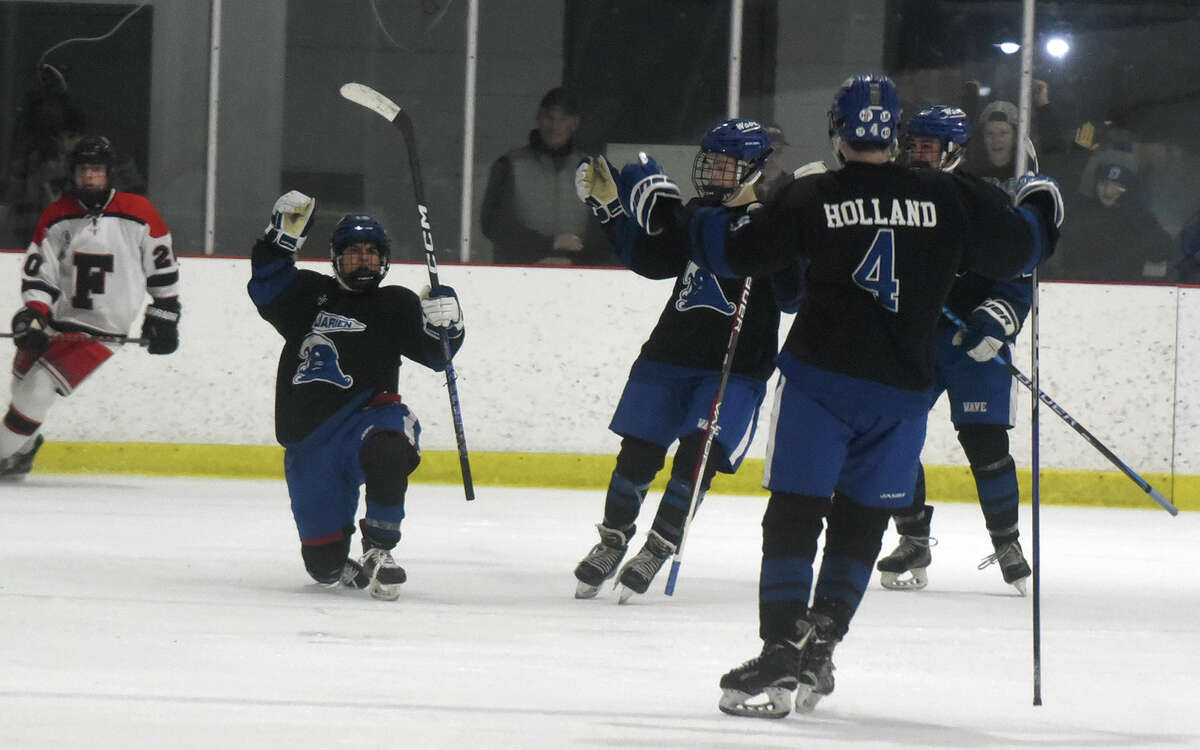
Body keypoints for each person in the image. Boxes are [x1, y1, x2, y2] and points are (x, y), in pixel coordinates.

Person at [614, 74, 1062, 718]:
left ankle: (778, 654)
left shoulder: (810, 194)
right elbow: (1024, 246)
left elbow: (736, 253)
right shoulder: (951, 194)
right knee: (861, 521)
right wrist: (1043, 203)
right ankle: (821, 641)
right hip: (902, 394)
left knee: (795, 514)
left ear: (837, 129)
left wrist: (682, 211)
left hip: (820, 384)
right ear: (897, 135)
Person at [570, 119, 804, 602]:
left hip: (735, 368)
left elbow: (791, 297)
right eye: (711, 162)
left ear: (754, 169)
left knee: (699, 457)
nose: (713, 171)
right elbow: (653, 260)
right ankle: (612, 540)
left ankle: (659, 544)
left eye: (725, 164)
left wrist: (796, 258)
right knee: (636, 456)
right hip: (669, 356)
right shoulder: (697, 213)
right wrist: (611, 209)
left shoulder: (771, 225)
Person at [247, 190, 464, 600]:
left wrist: (449, 326)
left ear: (384, 259)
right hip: (309, 443)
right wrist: (278, 241)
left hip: (368, 419)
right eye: (352, 252)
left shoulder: (397, 303)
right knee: (322, 567)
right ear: (335, 258)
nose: (362, 260)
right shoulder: (307, 294)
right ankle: (339, 558)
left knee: (389, 447)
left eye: (371, 252)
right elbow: (265, 285)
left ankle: (379, 550)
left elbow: (438, 356)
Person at [875, 105, 1032, 594]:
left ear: (955, 152)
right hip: (915, 340)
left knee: (986, 446)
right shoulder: (889, 197)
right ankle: (913, 536)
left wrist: (997, 320)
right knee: (894, 434)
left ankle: (1007, 542)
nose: (917, 154)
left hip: (972, 343)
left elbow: (1018, 272)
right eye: (913, 145)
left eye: (929, 147)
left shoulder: (983, 201)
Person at [0, 134, 180, 479]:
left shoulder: (138, 212)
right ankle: (22, 451)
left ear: (108, 173)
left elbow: (162, 266)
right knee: (20, 385)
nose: (89, 177)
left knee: (36, 391)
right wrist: (34, 312)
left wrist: (165, 313)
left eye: (96, 170)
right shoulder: (57, 214)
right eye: (84, 170)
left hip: (102, 329)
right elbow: (42, 270)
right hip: (57, 321)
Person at [481, 87, 614, 266]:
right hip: (517, 275)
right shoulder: (509, 166)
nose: (555, 126)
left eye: (563, 119)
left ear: (575, 123)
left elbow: (608, 230)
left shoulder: (595, 171)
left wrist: (575, 260)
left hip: (580, 277)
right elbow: (494, 225)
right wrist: (548, 244)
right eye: (549, 118)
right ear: (539, 117)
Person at [1043, 161, 1172, 282]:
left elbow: (1162, 252)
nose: (1108, 191)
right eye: (1103, 184)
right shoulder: (1081, 213)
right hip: (1079, 286)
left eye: (1118, 186)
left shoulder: (1140, 216)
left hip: (1127, 291)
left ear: (1130, 190)